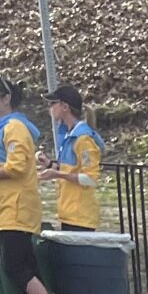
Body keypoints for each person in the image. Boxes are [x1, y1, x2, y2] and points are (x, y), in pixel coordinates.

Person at [0, 75, 74, 294]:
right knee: (27, 266)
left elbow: (18, 166)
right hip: (3, 206)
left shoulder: (15, 126)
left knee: (14, 265)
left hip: (16, 206)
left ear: (6, 99)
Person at [44, 85, 105, 231]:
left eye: (53, 103)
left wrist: (57, 174)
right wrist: (48, 164)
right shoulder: (68, 134)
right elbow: (69, 169)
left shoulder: (83, 139)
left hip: (81, 216)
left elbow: (90, 178)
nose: (49, 107)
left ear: (65, 107)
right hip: (69, 213)